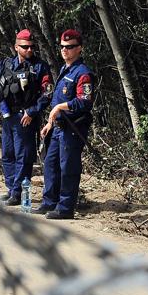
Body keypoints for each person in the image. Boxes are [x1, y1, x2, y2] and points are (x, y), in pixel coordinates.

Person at [0, 29, 53, 205]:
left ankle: (19, 192)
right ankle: (11, 188)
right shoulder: (7, 64)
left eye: (31, 47)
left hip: (26, 117)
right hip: (8, 115)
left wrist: (32, 111)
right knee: (7, 154)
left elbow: (47, 94)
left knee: (23, 156)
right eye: (25, 47)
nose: (29, 50)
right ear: (16, 47)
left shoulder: (39, 67)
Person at [37, 29, 94, 220]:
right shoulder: (65, 69)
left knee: (68, 167)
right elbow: (56, 101)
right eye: (62, 47)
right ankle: (49, 202)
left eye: (70, 47)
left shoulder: (83, 73)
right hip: (58, 127)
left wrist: (61, 107)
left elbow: (84, 102)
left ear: (80, 49)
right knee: (50, 164)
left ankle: (66, 207)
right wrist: (49, 123)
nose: (65, 50)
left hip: (73, 128)